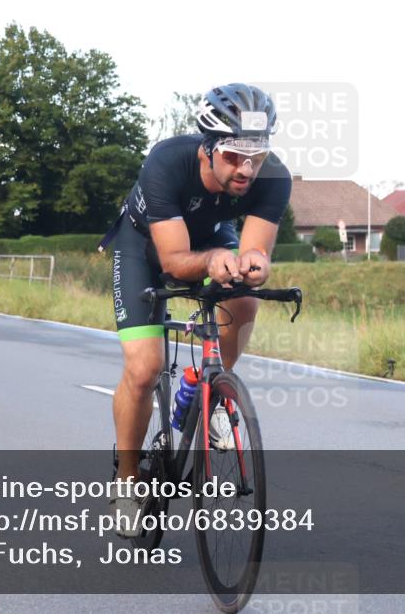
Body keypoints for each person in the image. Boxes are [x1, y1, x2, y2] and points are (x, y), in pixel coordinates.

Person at [102, 84, 292, 536]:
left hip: (210, 237)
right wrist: (210, 262)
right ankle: (127, 483)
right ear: (207, 149)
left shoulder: (274, 178)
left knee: (244, 297)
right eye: (233, 155)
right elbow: (172, 262)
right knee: (145, 369)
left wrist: (254, 265)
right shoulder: (167, 162)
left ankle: (211, 397)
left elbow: (256, 252)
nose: (247, 169)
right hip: (144, 249)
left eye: (257, 154)